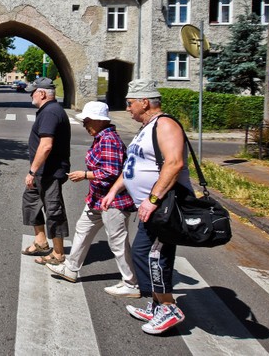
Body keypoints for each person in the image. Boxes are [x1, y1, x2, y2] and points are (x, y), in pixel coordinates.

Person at [101, 79, 192, 335]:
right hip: (149, 207)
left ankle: (168, 307)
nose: (127, 108)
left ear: (144, 102)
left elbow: (174, 164)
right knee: (146, 254)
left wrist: (153, 199)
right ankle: (156, 304)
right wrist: (114, 190)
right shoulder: (147, 127)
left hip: (163, 208)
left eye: (130, 103)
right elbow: (132, 167)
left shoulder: (165, 124)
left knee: (151, 256)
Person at [46, 101, 139, 297]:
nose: (84, 124)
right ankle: (71, 268)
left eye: (87, 120)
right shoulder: (101, 136)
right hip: (98, 199)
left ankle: (131, 283)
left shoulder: (108, 140)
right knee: (83, 229)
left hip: (113, 201)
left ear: (98, 121)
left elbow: (112, 172)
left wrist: (85, 175)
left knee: (117, 242)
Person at [20, 77, 70, 265]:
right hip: (41, 172)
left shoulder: (50, 113)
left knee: (53, 210)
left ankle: (58, 253)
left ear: (41, 93)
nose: (31, 96)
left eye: (33, 92)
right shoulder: (47, 111)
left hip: (49, 172)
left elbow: (46, 145)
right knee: (30, 202)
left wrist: (32, 172)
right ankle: (41, 241)